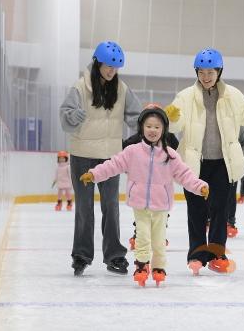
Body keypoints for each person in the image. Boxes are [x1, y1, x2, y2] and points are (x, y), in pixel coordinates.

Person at [164, 47, 244, 275]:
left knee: (220, 210)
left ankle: (216, 254)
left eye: (210, 72)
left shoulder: (232, 95)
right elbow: (176, 125)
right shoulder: (185, 97)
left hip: (223, 163)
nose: (206, 77)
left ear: (219, 71)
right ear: (196, 72)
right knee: (196, 210)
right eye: (201, 72)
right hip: (195, 163)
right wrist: (171, 118)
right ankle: (196, 255)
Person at [79, 107, 209, 286]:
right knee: (142, 237)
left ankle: (159, 267)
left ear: (163, 129)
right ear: (142, 128)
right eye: (149, 126)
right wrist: (94, 174)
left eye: (157, 127)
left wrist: (199, 186)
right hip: (139, 205)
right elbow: (112, 165)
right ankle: (141, 265)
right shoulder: (132, 152)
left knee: (158, 240)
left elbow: (185, 175)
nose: (153, 130)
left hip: (161, 206)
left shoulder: (170, 155)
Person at [59, 41, 141, 276]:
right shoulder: (80, 88)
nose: (111, 72)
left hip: (110, 158)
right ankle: (81, 255)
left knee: (111, 207)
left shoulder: (122, 89)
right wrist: (74, 115)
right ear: (97, 63)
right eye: (108, 67)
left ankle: (115, 256)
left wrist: (152, 122)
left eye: (115, 68)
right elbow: (65, 118)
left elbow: (136, 116)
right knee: (84, 208)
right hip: (82, 155)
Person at [124, 103, 179, 250]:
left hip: (161, 186)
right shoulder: (136, 139)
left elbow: (177, 154)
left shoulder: (170, 137)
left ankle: (159, 237)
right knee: (141, 216)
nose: (152, 129)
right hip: (142, 185)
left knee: (161, 216)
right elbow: (124, 153)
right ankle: (138, 236)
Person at [226, 127, 244, 238]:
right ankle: (211, 219)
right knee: (214, 195)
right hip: (213, 165)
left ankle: (230, 222)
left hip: (232, 166)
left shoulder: (236, 125)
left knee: (230, 195)